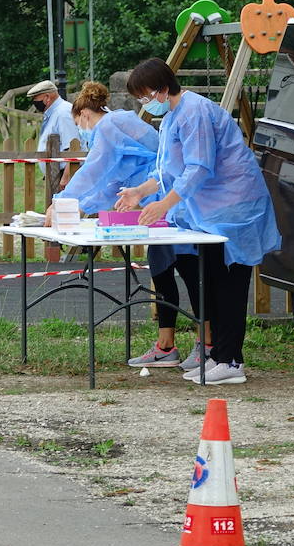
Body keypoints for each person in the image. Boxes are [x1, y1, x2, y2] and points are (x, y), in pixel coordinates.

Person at [116, 58, 281, 386]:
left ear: (163, 89)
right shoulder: (173, 117)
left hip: (234, 209)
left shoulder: (195, 112)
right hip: (213, 214)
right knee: (213, 282)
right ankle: (218, 356)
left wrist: (164, 204)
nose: (145, 104)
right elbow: (167, 170)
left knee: (229, 285)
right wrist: (139, 191)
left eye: (146, 96)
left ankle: (231, 360)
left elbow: (199, 167)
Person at [50, 81, 206, 371]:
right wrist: (81, 206)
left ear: (84, 114)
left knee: (186, 266)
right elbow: (112, 182)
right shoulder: (118, 124)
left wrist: (63, 200)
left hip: (167, 199)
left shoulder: (108, 127)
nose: (80, 133)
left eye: (77, 124)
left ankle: (206, 345)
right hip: (150, 200)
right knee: (160, 269)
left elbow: (94, 169)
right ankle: (165, 346)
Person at [29, 79, 81, 188]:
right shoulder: (53, 113)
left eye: (35, 99)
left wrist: (66, 178)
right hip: (56, 172)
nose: (34, 102)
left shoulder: (63, 113)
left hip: (65, 175)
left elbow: (73, 147)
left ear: (47, 97)